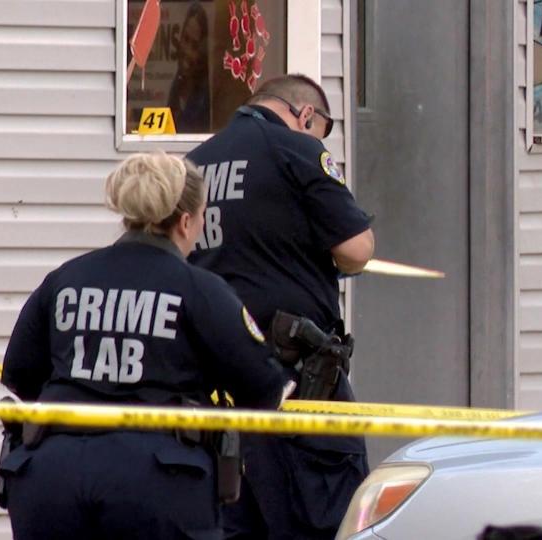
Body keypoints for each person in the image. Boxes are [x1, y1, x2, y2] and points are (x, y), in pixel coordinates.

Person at [0, 150, 292, 540]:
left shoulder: (66, 279)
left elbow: (18, 375)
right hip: (158, 483)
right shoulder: (200, 290)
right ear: (185, 222)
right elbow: (264, 390)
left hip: (50, 475)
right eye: (202, 217)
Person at [186, 73, 375, 539]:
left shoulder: (195, 164)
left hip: (216, 385)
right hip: (296, 383)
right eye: (319, 131)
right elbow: (357, 249)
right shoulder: (298, 149)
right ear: (306, 115)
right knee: (322, 516)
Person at [167, 2, 211, 133]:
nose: (187, 51)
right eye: (185, 39)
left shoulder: (206, 99)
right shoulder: (176, 86)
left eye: (195, 46)